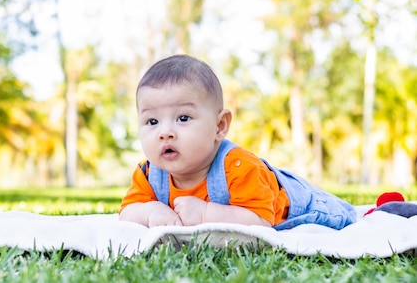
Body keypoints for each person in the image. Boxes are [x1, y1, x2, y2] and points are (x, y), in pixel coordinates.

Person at [119, 54, 356, 230]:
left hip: (300, 207)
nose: (165, 132)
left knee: (346, 216)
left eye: (183, 118)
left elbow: (260, 220)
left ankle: (385, 210)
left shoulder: (239, 166)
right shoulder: (149, 172)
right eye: (152, 121)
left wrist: (205, 213)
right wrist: (151, 211)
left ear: (219, 126)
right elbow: (127, 211)